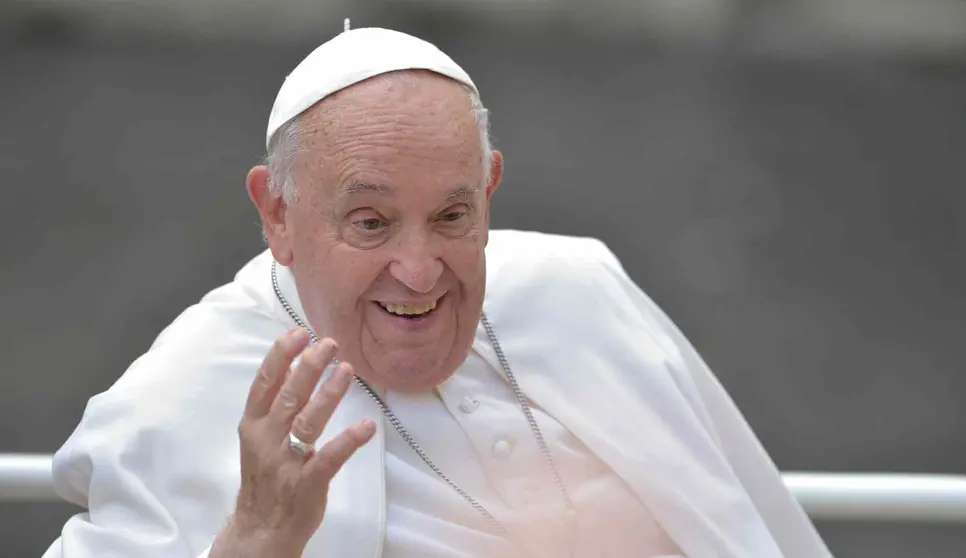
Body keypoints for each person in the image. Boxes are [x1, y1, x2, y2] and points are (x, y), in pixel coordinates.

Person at [43, 25, 832, 558]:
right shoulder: (180, 393)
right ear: (278, 213)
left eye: (451, 215)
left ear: (489, 192)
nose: (419, 271)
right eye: (370, 222)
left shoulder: (580, 292)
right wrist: (254, 540)